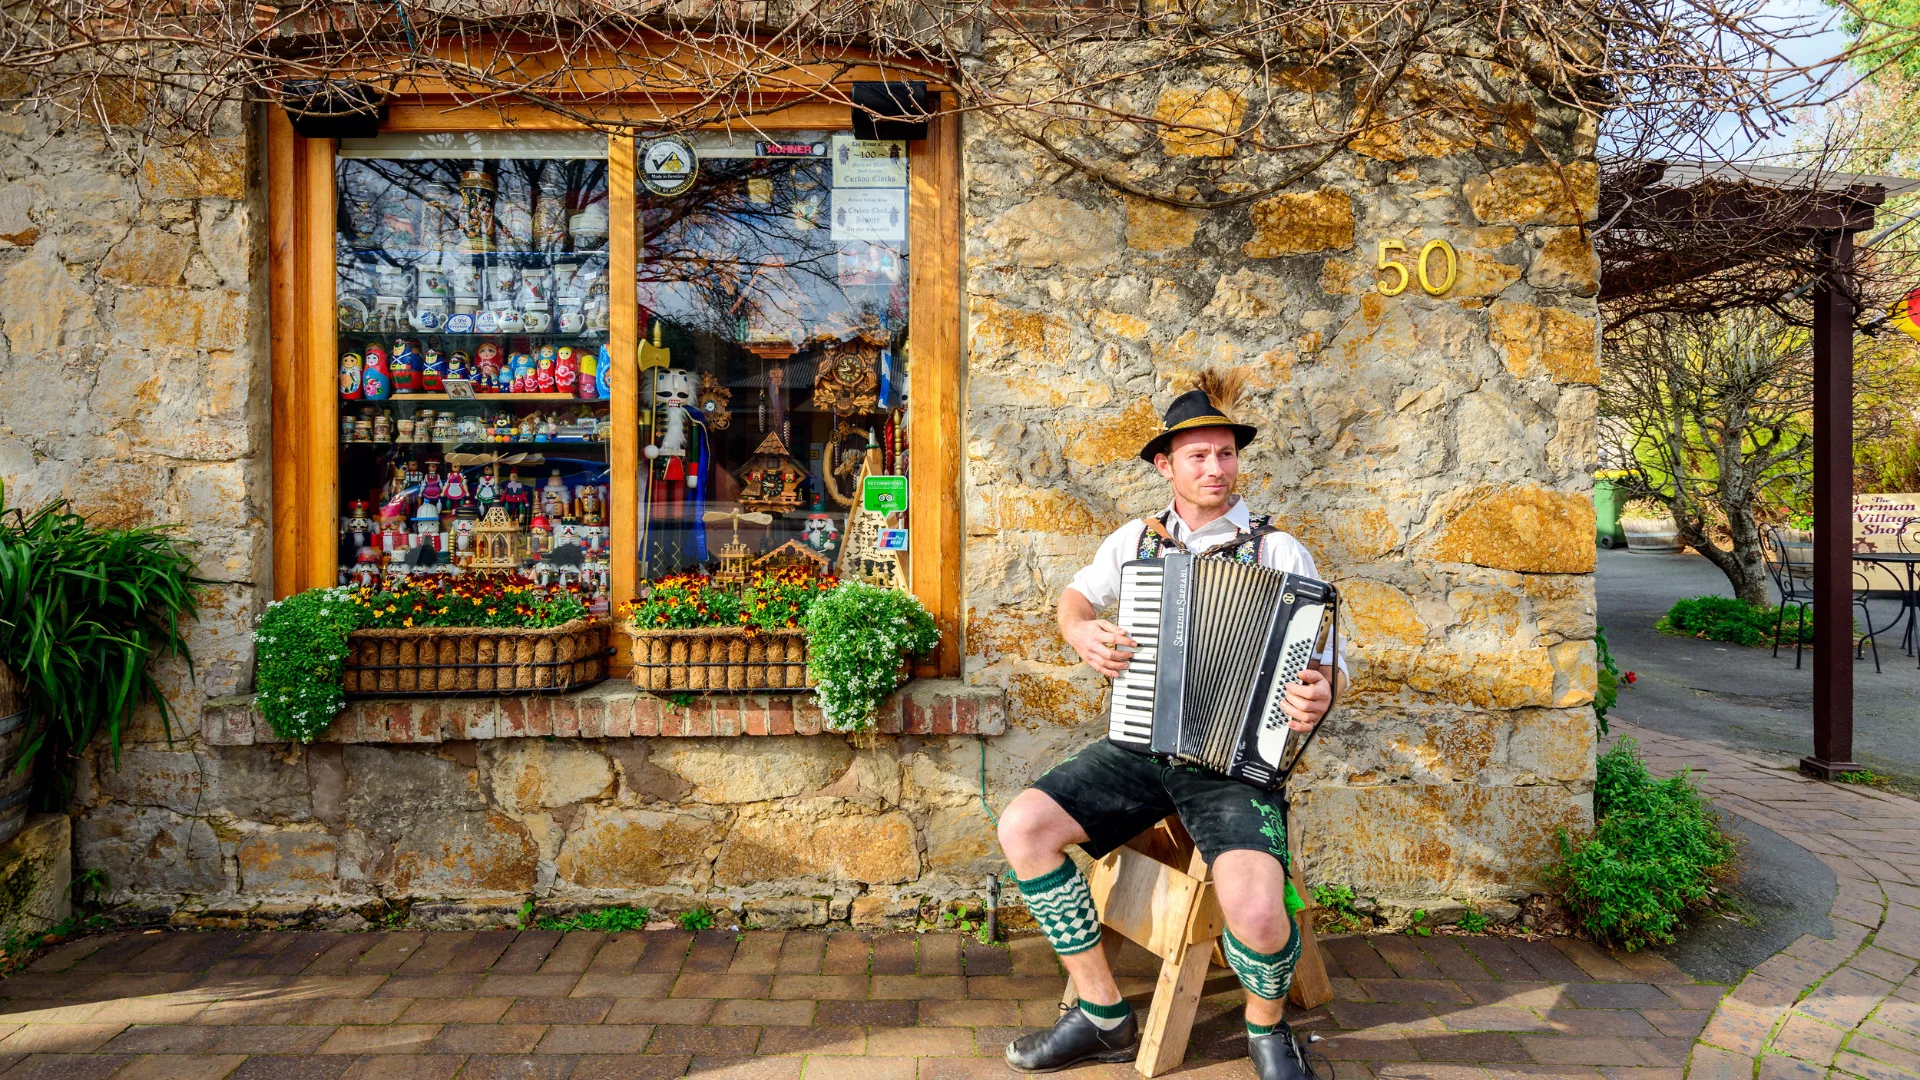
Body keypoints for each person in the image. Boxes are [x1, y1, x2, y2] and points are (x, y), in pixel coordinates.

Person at [997, 369, 1346, 1080]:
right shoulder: (1136, 539)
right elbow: (1074, 600)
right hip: (1140, 748)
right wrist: (1080, 633)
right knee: (1024, 827)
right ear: (1167, 465)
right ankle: (1102, 1015)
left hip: (1240, 768)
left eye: (1226, 454)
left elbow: (1333, 665)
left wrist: (1319, 692)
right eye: (1198, 456)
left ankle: (1267, 1032)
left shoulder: (1279, 552)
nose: (1216, 468)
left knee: (1254, 910)